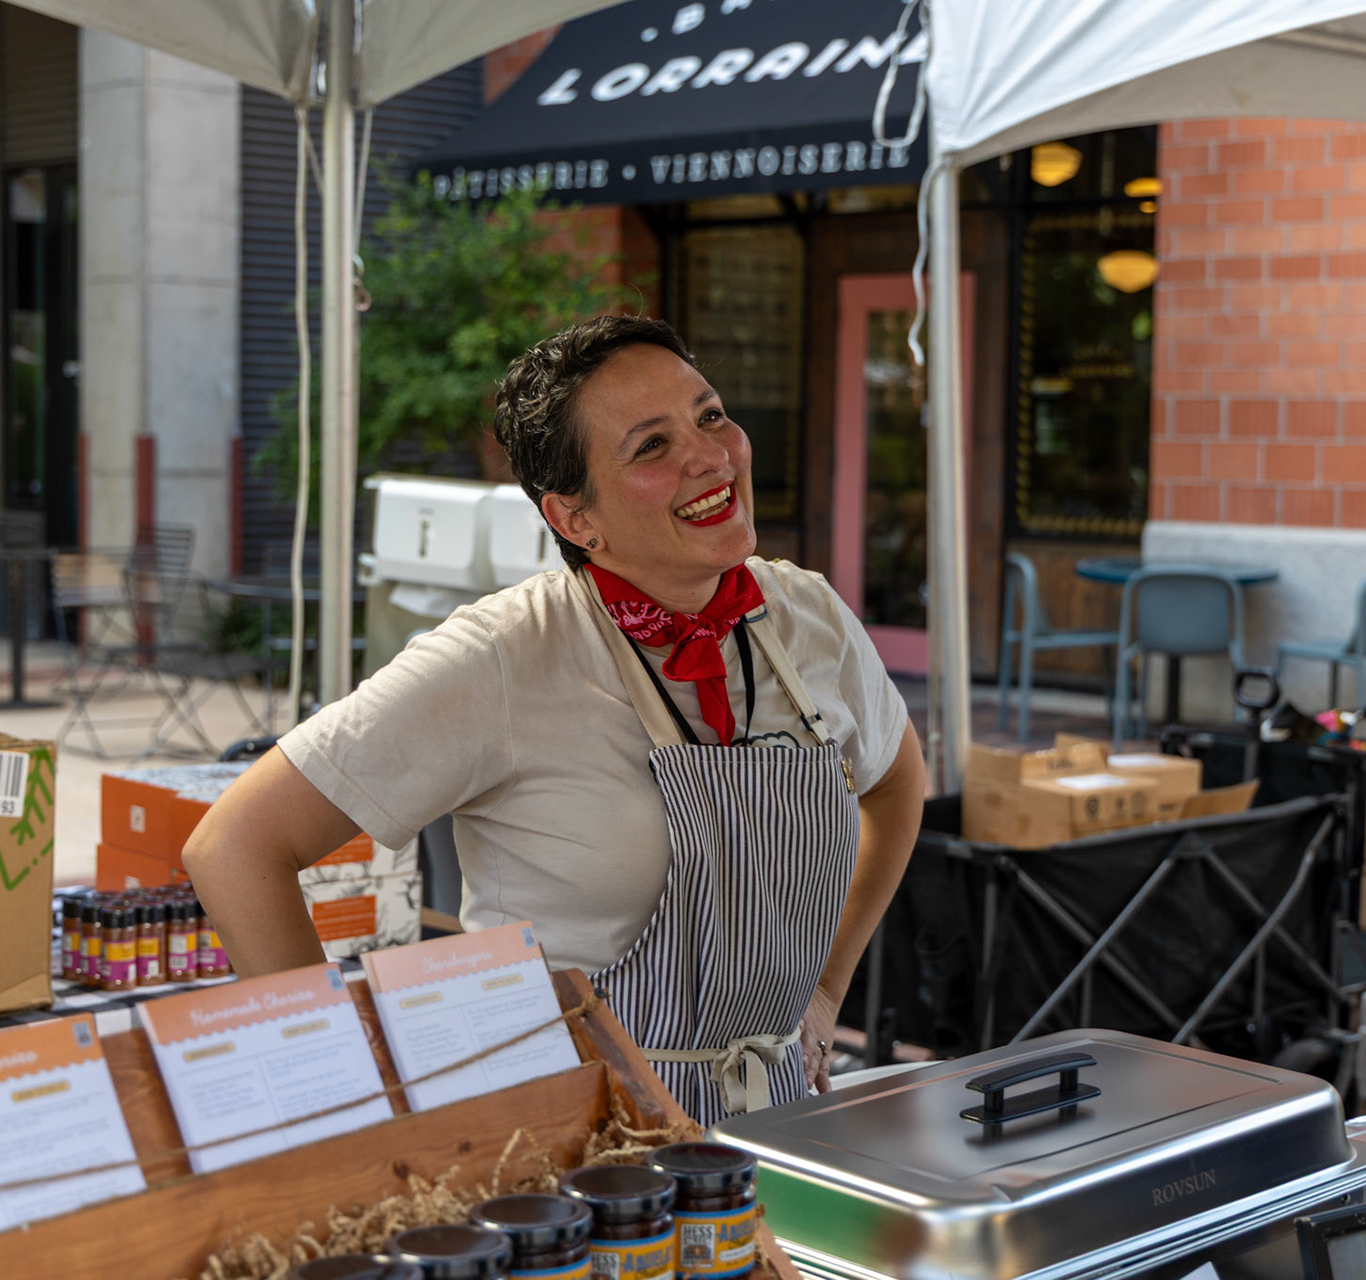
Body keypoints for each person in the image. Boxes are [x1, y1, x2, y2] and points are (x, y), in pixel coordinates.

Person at [182, 315, 926, 1124]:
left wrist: (825, 990)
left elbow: (898, 781)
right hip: (569, 1142)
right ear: (574, 519)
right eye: (651, 446)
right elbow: (236, 846)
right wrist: (336, 1093)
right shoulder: (505, 656)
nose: (710, 456)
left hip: (775, 1124)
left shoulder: (806, 617)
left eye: (709, 415)